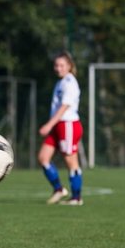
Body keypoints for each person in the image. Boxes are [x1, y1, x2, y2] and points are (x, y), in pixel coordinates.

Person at [38, 50, 84, 206]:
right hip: (58, 126)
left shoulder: (70, 82)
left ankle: (76, 197)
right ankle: (59, 189)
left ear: (69, 66)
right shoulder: (61, 82)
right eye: (56, 65)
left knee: (71, 162)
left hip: (68, 125)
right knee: (43, 158)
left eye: (61, 65)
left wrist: (49, 124)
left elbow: (65, 106)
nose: (58, 68)